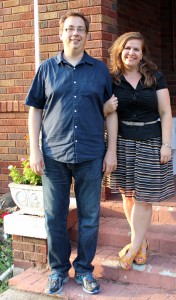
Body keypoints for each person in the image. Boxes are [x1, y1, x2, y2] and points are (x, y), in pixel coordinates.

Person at [25, 12, 118, 295]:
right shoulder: (46, 69)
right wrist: (34, 150)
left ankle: (85, 270)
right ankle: (58, 270)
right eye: (69, 29)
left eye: (80, 29)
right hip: (54, 155)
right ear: (61, 34)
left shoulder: (99, 70)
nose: (74, 33)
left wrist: (111, 150)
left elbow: (111, 111)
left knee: (90, 216)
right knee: (54, 216)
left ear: (87, 35)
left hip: (91, 154)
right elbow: (35, 110)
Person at [104, 31, 175, 270]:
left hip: (151, 142)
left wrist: (167, 144)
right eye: (127, 48)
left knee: (145, 197)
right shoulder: (112, 79)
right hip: (123, 142)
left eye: (136, 49)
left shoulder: (154, 77)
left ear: (142, 54)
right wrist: (110, 148)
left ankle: (133, 247)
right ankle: (142, 242)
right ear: (119, 51)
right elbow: (109, 113)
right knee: (128, 194)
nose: (131, 52)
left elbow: (166, 112)